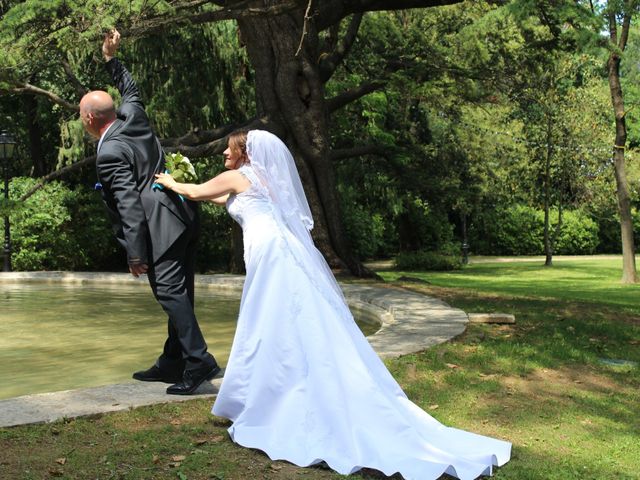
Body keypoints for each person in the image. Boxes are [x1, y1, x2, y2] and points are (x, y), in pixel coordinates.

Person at [154, 130, 512, 479]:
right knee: (282, 323)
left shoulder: (237, 176)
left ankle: (272, 400)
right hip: (281, 251)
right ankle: (268, 393)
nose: (224, 154)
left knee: (270, 324)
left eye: (229, 149)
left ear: (244, 153)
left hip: (270, 254)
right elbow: (220, 198)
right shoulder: (260, 180)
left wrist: (171, 182)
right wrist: (183, 185)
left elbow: (199, 192)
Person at [79, 30, 219, 395]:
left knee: (171, 292)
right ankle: (173, 360)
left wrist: (136, 253)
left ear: (91, 119)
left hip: (159, 226)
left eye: (81, 115)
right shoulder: (135, 116)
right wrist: (112, 60)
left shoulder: (108, 153)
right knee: (180, 291)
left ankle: (199, 360)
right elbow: (132, 90)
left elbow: (128, 203)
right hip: (183, 215)